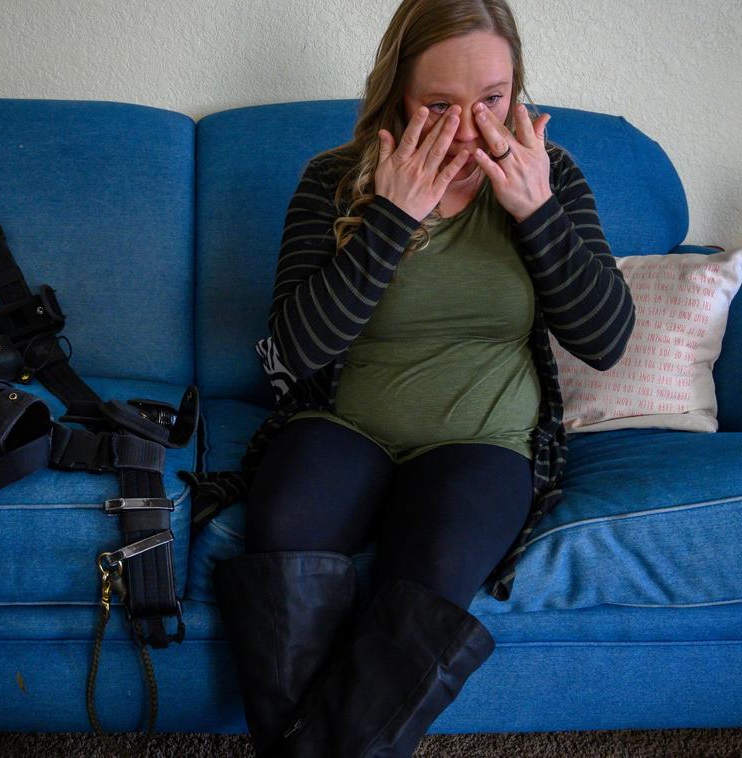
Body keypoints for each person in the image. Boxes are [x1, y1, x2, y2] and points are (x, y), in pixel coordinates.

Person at [193, 0, 636, 755]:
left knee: (435, 560)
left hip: (483, 439)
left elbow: (606, 340)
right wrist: (393, 218)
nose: (469, 129)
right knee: (286, 521)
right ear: (399, 93)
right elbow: (292, 350)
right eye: (439, 104)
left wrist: (535, 212)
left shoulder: (550, 174)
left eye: (491, 100)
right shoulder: (336, 179)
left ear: (517, 91)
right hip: (345, 423)